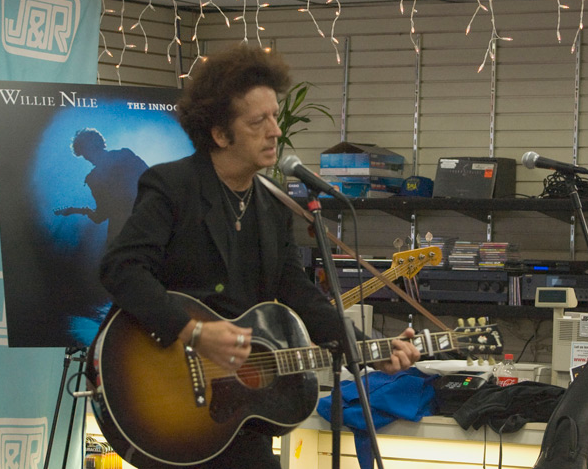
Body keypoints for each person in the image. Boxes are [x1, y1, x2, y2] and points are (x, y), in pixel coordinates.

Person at [98, 44, 421, 469]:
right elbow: (121, 269)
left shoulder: (271, 206)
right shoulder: (172, 186)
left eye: (274, 116)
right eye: (258, 121)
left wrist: (368, 348)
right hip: (169, 393)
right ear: (219, 134)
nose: (274, 131)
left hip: (238, 411)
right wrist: (192, 331)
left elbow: (298, 293)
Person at [57, 128, 148, 243]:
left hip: (121, 232)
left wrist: (78, 211)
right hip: (146, 222)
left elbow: (100, 216)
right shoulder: (125, 155)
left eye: (85, 153)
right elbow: (149, 179)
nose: (86, 158)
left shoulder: (93, 178)